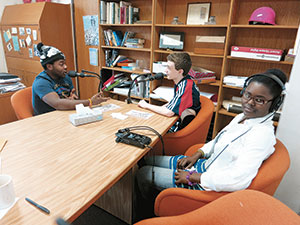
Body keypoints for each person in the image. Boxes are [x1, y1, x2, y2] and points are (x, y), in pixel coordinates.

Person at [135, 69, 286, 217]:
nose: (249, 103)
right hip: (206, 165)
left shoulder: (261, 135)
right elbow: (218, 140)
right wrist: (197, 154)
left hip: (210, 183)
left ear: (274, 104)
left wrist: (193, 177)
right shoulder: (243, 117)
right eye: (248, 95)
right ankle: (156, 192)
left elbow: (239, 179)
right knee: (149, 159)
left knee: (143, 173)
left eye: (259, 100)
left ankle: (150, 210)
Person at [32, 43, 109, 115]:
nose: (65, 67)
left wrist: (73, 98)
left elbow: (73, 97)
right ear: (49, 66)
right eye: (61, 64)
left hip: (64, 114)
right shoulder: (41, 82)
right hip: (47, 120)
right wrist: (90, 101)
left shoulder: (65, 77)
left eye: (65, 63)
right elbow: (57, 104)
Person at [138, 52, 201, 132]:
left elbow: (169, 112)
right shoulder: (183, 81)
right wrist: (160, 109)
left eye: (169, 68)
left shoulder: (185, 86)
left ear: (180, 71)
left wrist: (146, 105)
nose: (165, 70)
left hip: (183, 128)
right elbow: (174, 102)